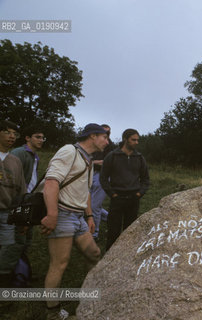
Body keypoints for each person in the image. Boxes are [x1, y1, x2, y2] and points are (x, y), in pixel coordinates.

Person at [41, 123, 108, 320]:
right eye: (104, 137)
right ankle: (52, 312)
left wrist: (89, 216)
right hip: (62, 213)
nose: (107, 141)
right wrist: (52, 215)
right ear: (93, 136)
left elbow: (85, 191)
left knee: (94, 253)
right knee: (59, 264)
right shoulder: (69, 151)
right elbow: (51, 182)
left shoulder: (88, 159)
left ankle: (88, 296)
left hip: (78, 216)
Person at [100, 128, 149, 251]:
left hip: (134, 198)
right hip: (117, 199)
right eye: (133, 140)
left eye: (138, 140)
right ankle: (108, 261)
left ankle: (126, 257)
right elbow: (103, 178)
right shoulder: (112, 156)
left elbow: (145, 179)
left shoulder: (139, 158)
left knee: (130, 231)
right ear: (125, 139)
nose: (136, 142)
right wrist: (113, 194)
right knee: (113, 232)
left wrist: (139, 193)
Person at [10, 126, 46, 253]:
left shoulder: (35, 156)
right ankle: (8, 270)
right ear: (27, 138)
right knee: (17, 240)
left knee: (26, 240)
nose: (41, 140)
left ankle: (19, 268)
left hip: (29, 200)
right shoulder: (18, 153)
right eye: (37, 137)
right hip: (18, 201)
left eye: (42, 138)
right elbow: (12, 180)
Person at [0, 120, 26, 288]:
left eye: (15, 134)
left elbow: (21, 192)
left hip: (6, 212)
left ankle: (3, 280)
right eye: (8, 132)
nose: (12, 137)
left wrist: (22, 217)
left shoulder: (15, 161)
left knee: (9, 246)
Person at [89, 124, 115, 241]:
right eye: (104, 133)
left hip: (103, 177)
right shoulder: (94, 144)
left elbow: (114, 162)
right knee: (90, 204)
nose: (106, 137)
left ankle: (94, 235)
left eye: (108, 133)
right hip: (91, 174)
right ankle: (113, 220)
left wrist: (100, 163)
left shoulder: (111, 146)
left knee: (94, 206)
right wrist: (94, 162)